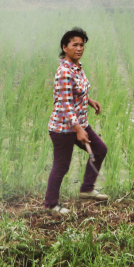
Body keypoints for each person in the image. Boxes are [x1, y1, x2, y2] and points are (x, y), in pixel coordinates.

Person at [44, 27, 108, 214]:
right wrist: (78, 129)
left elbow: (75, 92)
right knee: (62, 165)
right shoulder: (65, 72)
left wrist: (89, 100)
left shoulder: (77, 67)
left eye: (82, 45)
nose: (79, 48)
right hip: (63, 128)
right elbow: (65, 103)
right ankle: (51, 204)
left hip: (80, 123)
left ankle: (87, 189)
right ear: (65, 47)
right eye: (75, 45)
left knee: (99, 150)